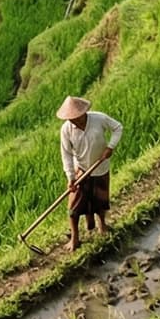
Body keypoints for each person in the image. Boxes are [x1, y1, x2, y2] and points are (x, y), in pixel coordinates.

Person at [57, 96, 123, 250]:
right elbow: (66, 154)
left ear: (83, 113)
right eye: (70, 118)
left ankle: (102, 225)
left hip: (101, 167)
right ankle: (75, 238)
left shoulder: (99, 119)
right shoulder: (66, 129)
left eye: (75, 117)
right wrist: (70, 177)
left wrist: (110, 147)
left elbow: (118, 128)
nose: (73, 121)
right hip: (81, 170)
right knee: (74, 207)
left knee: (100, 200)